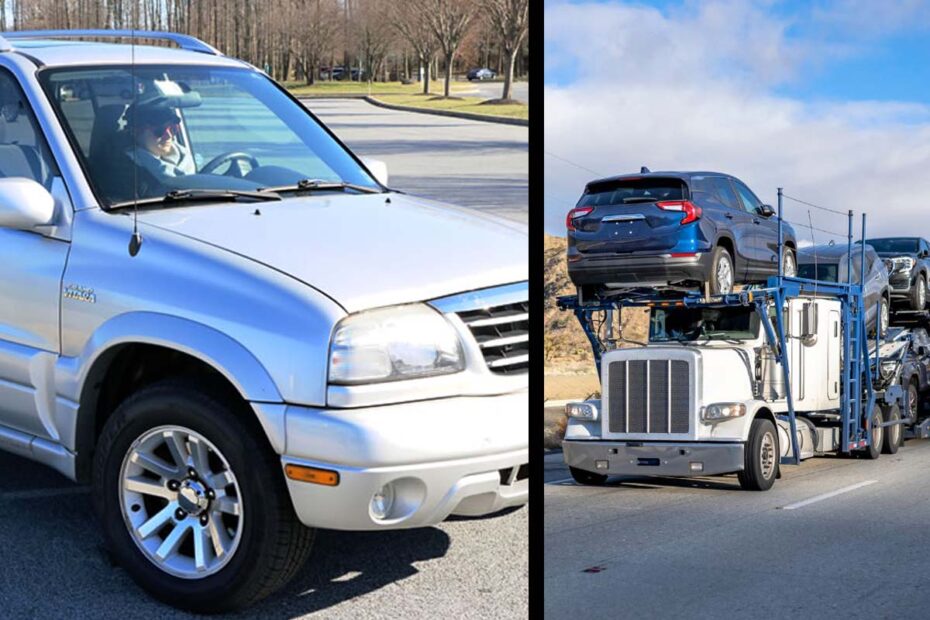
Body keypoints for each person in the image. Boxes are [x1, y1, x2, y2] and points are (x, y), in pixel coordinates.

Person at [126, 104, 195, 179]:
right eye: (160, 131)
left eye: (173, 129)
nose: (169, 136)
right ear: (137, 132)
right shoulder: (127, 172)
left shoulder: (186, 159)